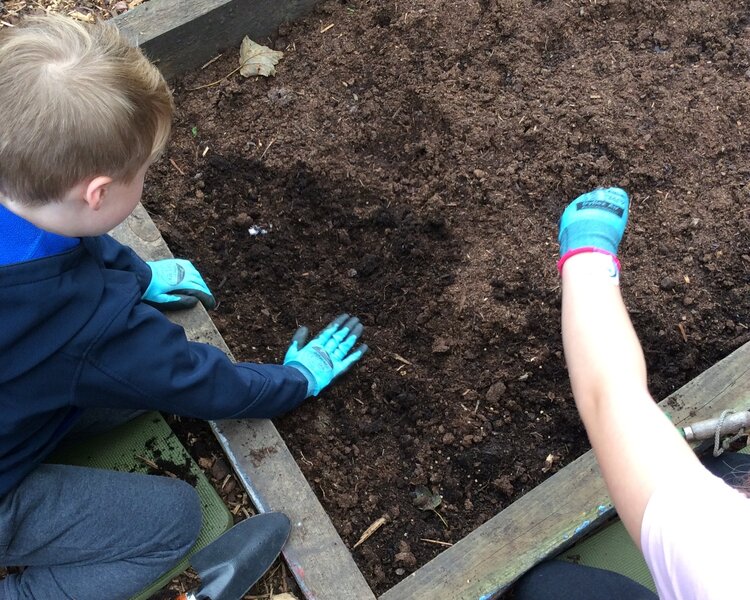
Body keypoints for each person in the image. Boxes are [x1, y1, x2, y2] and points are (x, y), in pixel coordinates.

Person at [0, 15, 367, 600]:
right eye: (143, 172)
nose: (147, 178)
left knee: (104, 399)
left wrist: (138, 277)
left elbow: (70, 239)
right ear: (97, 193)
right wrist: (294, 379)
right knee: (173, 520)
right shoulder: (83, 325)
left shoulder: (19, 195)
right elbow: (194, 381)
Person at [515, 188, 750, 599]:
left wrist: (587, 254)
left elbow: (610, 397)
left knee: (548, 589)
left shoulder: (726, 566)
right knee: (722, 466)